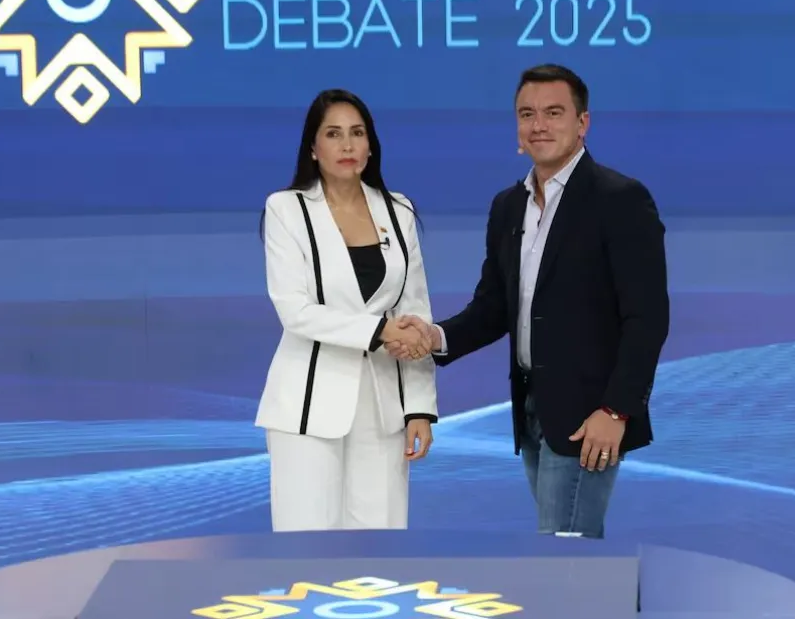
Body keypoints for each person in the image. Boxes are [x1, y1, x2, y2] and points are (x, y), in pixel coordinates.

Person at [391, 64, 669, 538]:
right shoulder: (508, 206)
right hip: (533, 410)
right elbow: (494, 306)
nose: (538, 125)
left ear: (583, 123)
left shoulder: (620, 199)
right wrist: (435, 335)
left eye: (554, 112)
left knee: (565, 554)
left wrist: (617, 410)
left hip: (590, 417)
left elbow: (647, 317)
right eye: (527, 114)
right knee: (566, 551)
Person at [257, 88, 438, 532]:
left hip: (384, 410)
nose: (347, 145)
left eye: (357, 133)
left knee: (381, 545)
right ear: (313, 149)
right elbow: (295, 311)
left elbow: (415, 314)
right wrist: (379, 331)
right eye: (333, 134)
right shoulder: (286, 209)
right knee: (306, 544)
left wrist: (419, 407)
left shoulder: (399, 211)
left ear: (371, 145)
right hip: (307, 407)